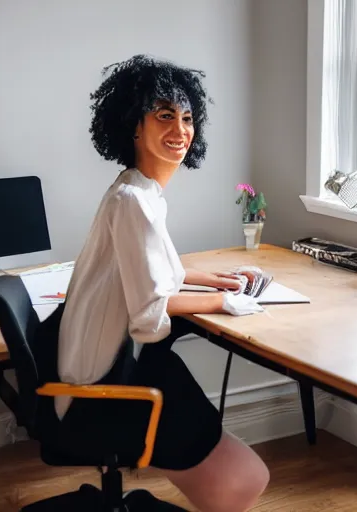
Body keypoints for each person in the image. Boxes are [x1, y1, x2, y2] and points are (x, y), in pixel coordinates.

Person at [55, 55, 269, 512]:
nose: (181, 130)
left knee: (233, 471)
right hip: (104, 388)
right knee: (248, 479)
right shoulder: (134, 201)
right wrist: (222, 303)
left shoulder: (136, 190)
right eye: (165, 116)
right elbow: (149, 315)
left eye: (188, 118)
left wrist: (221, 281)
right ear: (134, 126)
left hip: (112, 370)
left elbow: (160, 271)